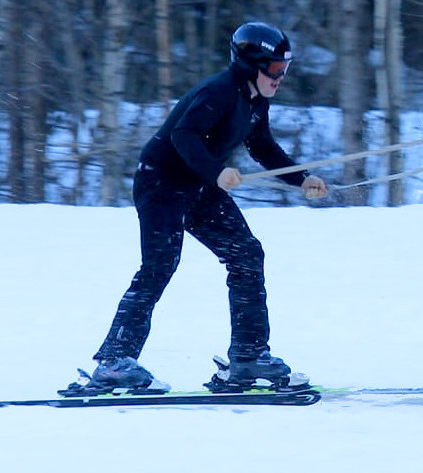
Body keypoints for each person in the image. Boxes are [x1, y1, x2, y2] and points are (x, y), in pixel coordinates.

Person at [88, 20, 329, 392]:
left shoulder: (254, 101)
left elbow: (262, 147)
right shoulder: (219, 91)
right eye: (276, 69)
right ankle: (114, 363)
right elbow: (183, 134)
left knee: (247, 254)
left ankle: (248, 358)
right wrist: (216, 171)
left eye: (286, 69)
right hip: (162, 182)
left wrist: (301, 179)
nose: (281, 78)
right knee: (159, 265)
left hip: (199, 185)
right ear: (252, 65)